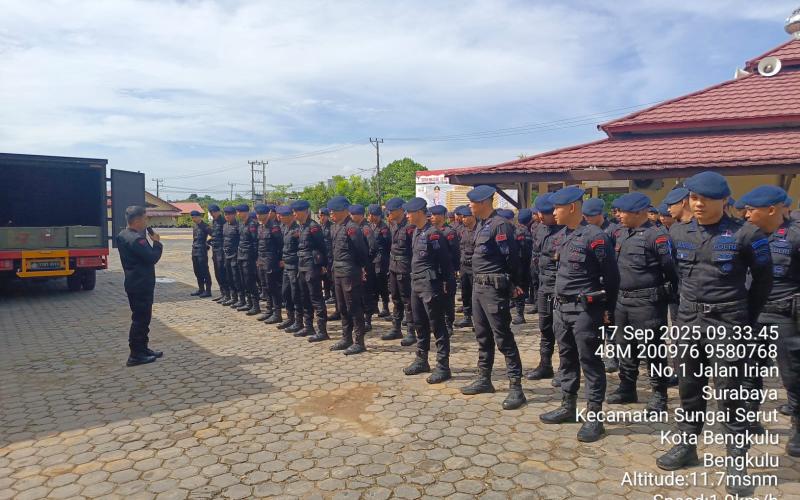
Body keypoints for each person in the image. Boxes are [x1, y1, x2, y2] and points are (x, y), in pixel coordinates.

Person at [656, 172, 772, 497]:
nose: (699, 204)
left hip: (728, 323)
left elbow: (763, 281)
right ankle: (687, 446)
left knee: (730, 392)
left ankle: (736, 461)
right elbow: (678, 275)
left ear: (724, 200)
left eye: (706, 199)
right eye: (694, 198)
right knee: (689, 388)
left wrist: (744, 317)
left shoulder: (747, 234)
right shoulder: (678, 232)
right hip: (689, 322)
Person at [539, 185, 619, 443]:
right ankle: (568, 405)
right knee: (567, 359)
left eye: (557, 208)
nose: (553, 212)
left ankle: (594, 417)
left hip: (585, 310)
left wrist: (607, 310)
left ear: (572, 207)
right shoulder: (562, 235)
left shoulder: (595, 236)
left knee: (590, 362)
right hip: (562, 308)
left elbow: (612, 277)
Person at [740, 185, 800, 457]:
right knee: (749, 369)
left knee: (793, 374)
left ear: (772, 210)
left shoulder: (795, 236)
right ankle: (750, 417)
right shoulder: (747, 235)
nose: (746, 214)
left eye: (751, 210)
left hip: (785, 314)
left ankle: (798, 426)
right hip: (753, 313)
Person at [606, 192, 679, 414]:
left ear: (639, 212)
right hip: (622, 302)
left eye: (623, 212)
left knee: (653, 350)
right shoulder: (621, 234)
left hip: (648, 304)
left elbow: (672, 271)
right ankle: (628, 387)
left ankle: (659, 394)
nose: (618, 215)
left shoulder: (657, 236)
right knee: (625, 347)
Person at [460, 185, 526, 411]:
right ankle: (484, 379)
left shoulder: (500, 225)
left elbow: (512, 259)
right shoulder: (482, 225)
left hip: (493, 288)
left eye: (472, 202)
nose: (470, 206)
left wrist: (514, 284)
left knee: (503, 338)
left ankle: (516, 387)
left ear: (483, 202)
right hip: (478, 287)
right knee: (482, 336)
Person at [402, 197, 453, 383]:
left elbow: (445, 262)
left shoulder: (434, 234)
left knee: (437, 326)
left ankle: (443, 366)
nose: (407, 215)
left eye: (409, 212)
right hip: (416, 284)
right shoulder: (416, 232)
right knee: (419, 324)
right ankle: (421, 360)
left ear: (418, 213)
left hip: (430, 286)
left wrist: (446, 284)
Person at [116, 206, 163, 367]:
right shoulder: (136, 239)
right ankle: (135, 355)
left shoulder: (123, 235)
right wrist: (157, 243)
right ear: (137, 220)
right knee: (140, 320)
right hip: (141, 283)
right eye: (145, 218)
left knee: (144, 318)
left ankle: (143, 349)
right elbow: (152, 258)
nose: (146, 221)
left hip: (134, 282)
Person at [526, 193, 563, 382]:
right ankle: (545, 365)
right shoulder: (540, 228)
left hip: (561, 288)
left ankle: (565, 369)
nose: (540, 216)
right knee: (545, 327)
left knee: (562, 330)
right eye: (539, 213)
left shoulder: (567, 230)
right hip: (543, 285)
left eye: (544, 213)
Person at [327, 196, 370, 354]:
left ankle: (359, 342)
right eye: (330, 211)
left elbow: (362, 251)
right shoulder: (335, 227)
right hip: (338, 271)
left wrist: (359, 268)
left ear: (344, 211)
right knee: (342, 307)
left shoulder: (352, 228)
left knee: (354, 307)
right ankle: (346, 338)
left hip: (350, 272)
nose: (331, 214)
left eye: (334, 211)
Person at [292, 200, 328, 339]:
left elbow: (322, 247)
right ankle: (308, 327)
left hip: (312, 266)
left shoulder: (313, 227)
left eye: (296, 211)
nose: (294, 214)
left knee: (316, 298)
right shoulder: (301, 227)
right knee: (304, 297)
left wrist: (323, 265)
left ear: (305, 212)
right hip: (301, 265)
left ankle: (322, 331)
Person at [384, 197, 417, 346]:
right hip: (393, 266)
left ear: (400, 210)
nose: (389, 213)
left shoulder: (410, 227)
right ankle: (396, 328)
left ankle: (411, 332)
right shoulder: (394, 225)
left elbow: (414, 250)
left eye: (391, 210)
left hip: (405, 267)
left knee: (407, 300)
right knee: (396, 298)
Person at [430, 205, 460, 335]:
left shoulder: (449, 232)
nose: (431, 217)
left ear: (442, 216)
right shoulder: (430, 231)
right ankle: (437, 322)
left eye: (434, 215)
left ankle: (449, 324)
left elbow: (455, 253)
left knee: (448, 298)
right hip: (433, 270)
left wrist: (454, 269)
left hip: (447, 270)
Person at [351, 204, 378, 331]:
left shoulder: (366, 228)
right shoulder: (355, 228)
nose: (351, 216)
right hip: (358, 266)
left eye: (353, 214)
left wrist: (366, 262)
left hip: (366, 266)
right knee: (359, 293)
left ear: (360, 215)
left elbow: (373, 247)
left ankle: (368, 320)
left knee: (367, 293)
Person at [277, 206, 304, 333]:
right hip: (286, 267)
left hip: (294, 266)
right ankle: (290, 318)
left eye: (283, 216)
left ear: (290, 217)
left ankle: (299, 322)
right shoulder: (285, 228)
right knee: (285, 292)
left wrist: (293, 261)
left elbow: (301, 250)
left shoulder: (297, 230)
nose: (280, 217)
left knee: (295, 294)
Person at [255, 204, 284, 324]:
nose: (258, 216)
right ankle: (269, 310)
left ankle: (277, 313)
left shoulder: (274, 227)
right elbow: (259, 245)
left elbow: (281, 245)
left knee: (273, 288)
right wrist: (258, 259)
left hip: (271, 262)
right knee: (265, 287)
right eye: (257, 214)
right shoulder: (260, 227)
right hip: (262, 261)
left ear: (267, 214)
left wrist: (281, 259)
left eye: (260, 214)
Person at [235, 204, 260, 315]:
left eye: (240, 212)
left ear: (246, 212)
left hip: (249, 257)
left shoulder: (252, 224)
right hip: (241, 256)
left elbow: (255, 242)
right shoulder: (241, 224)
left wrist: (255, 258)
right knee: (243, 281)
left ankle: (256, 305)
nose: (238, 214)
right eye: (237, 212)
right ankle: (249, 303)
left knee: (250, 281)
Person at [454, 205, 476, 328]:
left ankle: (478, 320)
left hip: (475, 267)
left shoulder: (479, 230)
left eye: (465, 217)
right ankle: (467, 317)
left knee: (476, 295)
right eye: (462, 217)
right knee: (465, 292)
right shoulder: (462, 231)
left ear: (473, 217)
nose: (463, 219)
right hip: (464, 266)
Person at [369, 204, 392, 319]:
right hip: (372, 259)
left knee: (382, 283)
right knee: (373, 283)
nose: (369, 216)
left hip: (381, 259)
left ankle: (385, 307)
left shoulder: (383, 227)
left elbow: (388, 243)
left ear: (376, 216)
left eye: (371, 215)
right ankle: (374, 306)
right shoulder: (371, 226)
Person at [221, 206, 242, 307]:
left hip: (235, 255)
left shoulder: (238, 225)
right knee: (229, 277)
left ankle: (242, 299)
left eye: (229, 214)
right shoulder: (225, 225)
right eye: (225, 214)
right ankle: (233, 298)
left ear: (234, 215)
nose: (227, 216)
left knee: (236, 278)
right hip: (227, 254)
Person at [208, 204, 229, 303]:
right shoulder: (214, 221)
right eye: (211, 212)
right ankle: (222, 293)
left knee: (222, 272)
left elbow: (225, 236)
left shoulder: (223, 221)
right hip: (215, 250)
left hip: (222, 250)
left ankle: (228, 295)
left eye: (214, 212)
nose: (212, 214)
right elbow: (215, 234)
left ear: (218, 212)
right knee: (217, 273)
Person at [190, 210, 212, 297]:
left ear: (199, 217)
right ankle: (201, 289)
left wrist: (207, 243)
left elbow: (214, 235)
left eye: (195, 217)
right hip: (194, 251)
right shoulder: (195, 226)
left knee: (204, 270)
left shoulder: (205, 226)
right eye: (192, 217)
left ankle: (208, 290)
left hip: (202, 251)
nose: (193, 219)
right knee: (197, 271)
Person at [318, 208, 336, 308]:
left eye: (322, 215)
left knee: (331, 276)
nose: (321, 217)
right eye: (320, 215)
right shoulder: (320, 226)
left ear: (326, 216)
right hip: (323, 255)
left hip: (330, 254)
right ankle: (327, 294)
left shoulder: (331, 226)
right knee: (324, 276)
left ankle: (334, 295)